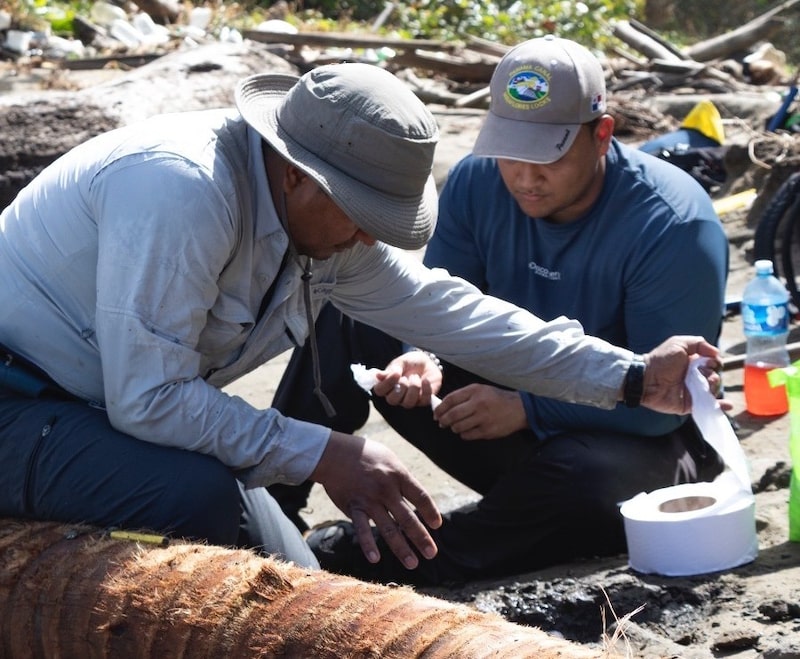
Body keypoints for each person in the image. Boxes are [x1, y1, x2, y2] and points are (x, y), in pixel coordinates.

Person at [0, 61, 722, 576]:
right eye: (362, 215)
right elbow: (149, 397)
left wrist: (628, 376)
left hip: (101, 407)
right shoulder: (182, 191)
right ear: (293, 172)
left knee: (297, 569)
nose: (371, 237)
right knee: (201, 499)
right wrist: (327, 452)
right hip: (21, 399)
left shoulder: (323, 218)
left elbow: (456, 315)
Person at [273, 37, 730, 586]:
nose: (525, 177)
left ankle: (384, 556)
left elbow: (667, 404)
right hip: (496, 411)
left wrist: (528, 409)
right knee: (346, 311)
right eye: (511, 152)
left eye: (550, 156)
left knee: (587, 481)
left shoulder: (674, 224)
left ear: (602, 135)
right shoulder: (477, 180)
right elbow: (429, 307)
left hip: (638, 443)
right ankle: (272, 508)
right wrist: (420, 358)